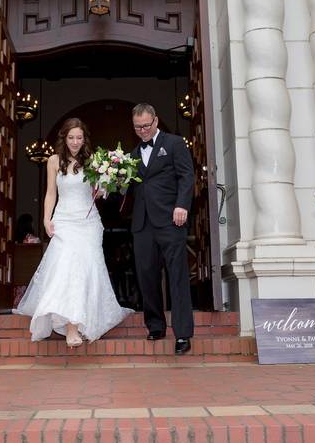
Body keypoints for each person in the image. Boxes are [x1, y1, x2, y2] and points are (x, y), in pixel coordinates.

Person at [13, 118, 134, 346]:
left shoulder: (93, 161)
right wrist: (46, 219)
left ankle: (79, 324)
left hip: (88, 224)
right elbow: (50, 193)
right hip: (64, 222)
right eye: (71, 138)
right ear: (64, 138)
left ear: (84, 139)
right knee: (67, 270)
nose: (75, 142)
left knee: (85, 272)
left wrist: (104, 187)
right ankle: (71, 326)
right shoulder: (53, 161)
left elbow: (96, 193)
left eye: (79, 138)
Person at [128, 103, 196, 354]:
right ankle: (155, 326)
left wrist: (182, 205)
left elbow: (187, 176)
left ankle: (182, 334)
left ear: (156, 121)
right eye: (138, 127)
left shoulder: (175, 143)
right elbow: (127, 189)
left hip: (171, 219)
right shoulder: (132, 154)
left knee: (177, 277)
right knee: (147, 277)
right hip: (142, 224)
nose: (143, 131)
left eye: (146, 125)